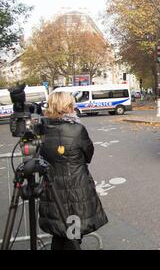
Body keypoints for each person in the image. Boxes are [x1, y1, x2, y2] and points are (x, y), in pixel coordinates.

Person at [39, 92, 108, 250]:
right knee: (73, 237)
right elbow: (88, 154)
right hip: (75, 191)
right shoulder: (77, 129)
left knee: (59, 233)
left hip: (52, 190)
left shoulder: (43, 130)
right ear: (68, 106)